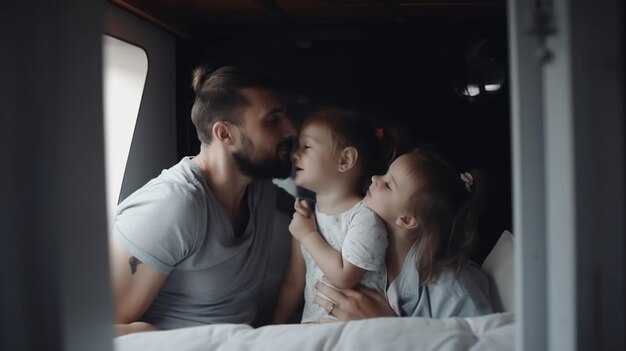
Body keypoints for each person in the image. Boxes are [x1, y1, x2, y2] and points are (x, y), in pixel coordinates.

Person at [109, 66, 297, 335]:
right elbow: (98, 328)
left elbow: (322, 211)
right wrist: (157, 338)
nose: (290, 130)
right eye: (272, 120)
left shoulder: (261, 190)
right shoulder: (172, 206)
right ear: (225, 134)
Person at [313, 147, 494, 320]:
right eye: (385, 173)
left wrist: (389, 324)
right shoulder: (371, 246)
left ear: (407, 220)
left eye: (389, 185)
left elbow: (475, 340)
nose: (376, 178)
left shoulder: (454, 289)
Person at [272, 108, 395, 324]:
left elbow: (344, 277)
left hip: (354, 333)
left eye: (307, 146)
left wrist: (308, 235)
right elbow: (293, 281)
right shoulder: (306, 217)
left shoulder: (365, 217)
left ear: (345, 160)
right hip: (313, 330)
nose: (295, 154)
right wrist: (273, 329)